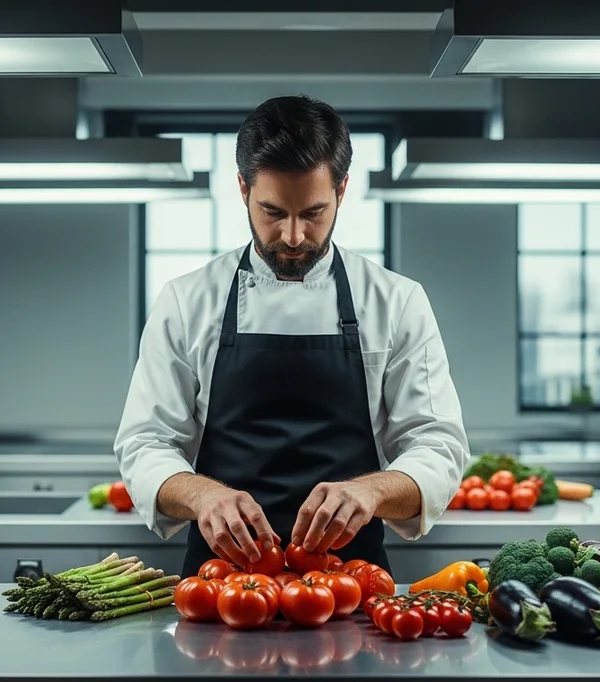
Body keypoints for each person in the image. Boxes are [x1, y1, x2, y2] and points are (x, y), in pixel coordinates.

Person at [114, 95, 470, 578]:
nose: (295, 236)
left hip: (350, 584)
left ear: (342, 191)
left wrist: (372, 491)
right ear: (243, 189)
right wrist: (202, 495)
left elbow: (438, 443)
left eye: (314, 213)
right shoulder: (186, 300)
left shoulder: (396, 301)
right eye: (273, 212)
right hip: (221, 586)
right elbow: (145, 442)